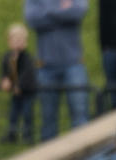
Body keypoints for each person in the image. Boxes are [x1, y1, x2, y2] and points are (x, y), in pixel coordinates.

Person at [25, 0, 91, 141]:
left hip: (74, 64)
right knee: (48, 121)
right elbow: (32, 19)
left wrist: (47, 11)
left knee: (80, 118)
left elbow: (78, 12)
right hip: (45, 67)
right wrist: (62, 11)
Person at [0, 23, 39, 144]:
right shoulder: (7, 57)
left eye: (21, 40)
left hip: (27, 91)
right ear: (9, 41)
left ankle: (28, 135)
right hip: (15, 93)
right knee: (13, 113)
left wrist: (19, 85)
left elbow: (27, 74)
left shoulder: (27, 58)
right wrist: (4, 80)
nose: (18, 42)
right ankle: (12, 133)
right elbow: (4, 71)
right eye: (15, 39)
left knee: (27, 113)